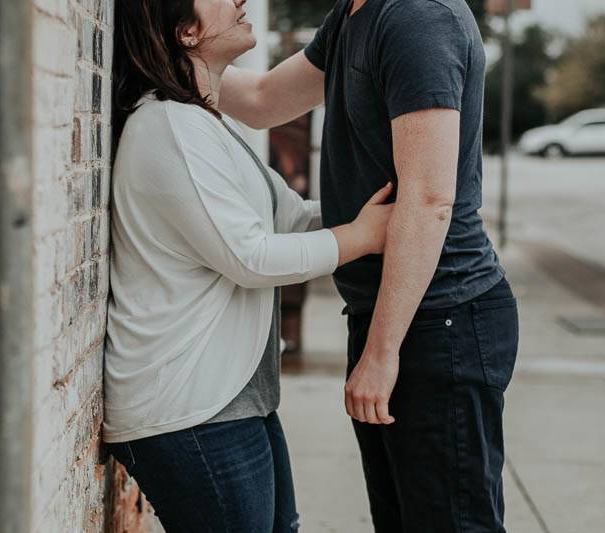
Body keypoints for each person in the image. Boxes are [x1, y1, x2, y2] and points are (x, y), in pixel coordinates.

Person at [221, 0, 520, 531]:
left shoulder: (417, 17)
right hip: (395, 313)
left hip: (439, 321)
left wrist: (382, 352)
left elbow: (429, 199)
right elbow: (264, 100)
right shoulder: (354, 14)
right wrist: (163, 59)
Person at [103, 1, 393, 531]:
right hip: (188, 407)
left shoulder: (202, 124)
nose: (238, 0)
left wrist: (384, 217)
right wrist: (361, 235)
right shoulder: (169, 127)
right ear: (186, 32)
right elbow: (252, 256)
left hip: (231, 399)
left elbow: (289, 219)